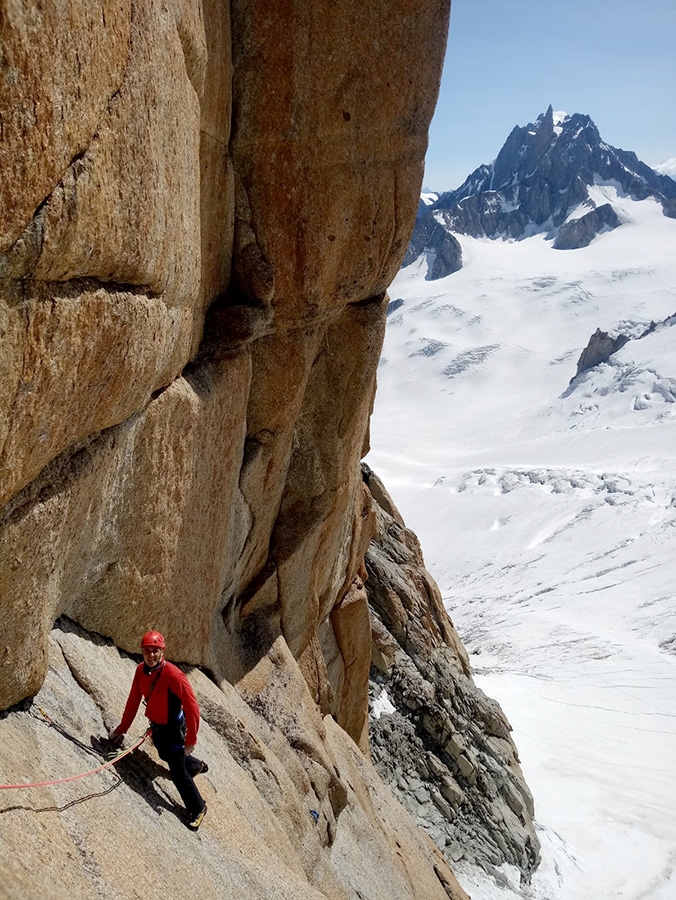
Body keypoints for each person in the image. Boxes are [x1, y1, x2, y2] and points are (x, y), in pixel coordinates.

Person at [108, 630, 208, 831]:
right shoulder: (140, 672)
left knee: (178, 773)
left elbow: (192, 707)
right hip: (158, 728)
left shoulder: (173, 674)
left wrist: (191, 740)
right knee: (164, 753)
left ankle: (198, 808)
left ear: (162, 651)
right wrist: (122, 729)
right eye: (147, 651)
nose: (151, 655)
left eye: (155, 651)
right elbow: (133, 701)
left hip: (174, 730)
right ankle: (195, 765)